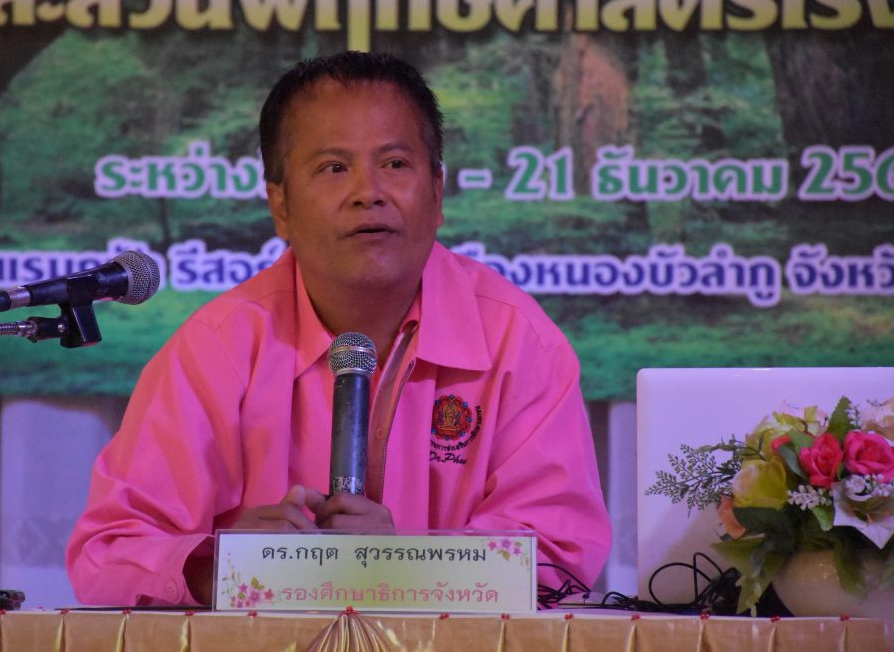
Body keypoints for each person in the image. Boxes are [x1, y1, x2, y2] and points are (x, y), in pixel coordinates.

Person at [66, 51, 611, 606]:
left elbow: (556, 562)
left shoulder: (518, 343)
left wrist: (400, 564)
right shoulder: (218, 346)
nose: (368, 192)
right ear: (280, 204)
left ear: (437, 191)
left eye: (395, 163)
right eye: (333, 168)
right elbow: (107, 553)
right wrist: (221, 566)